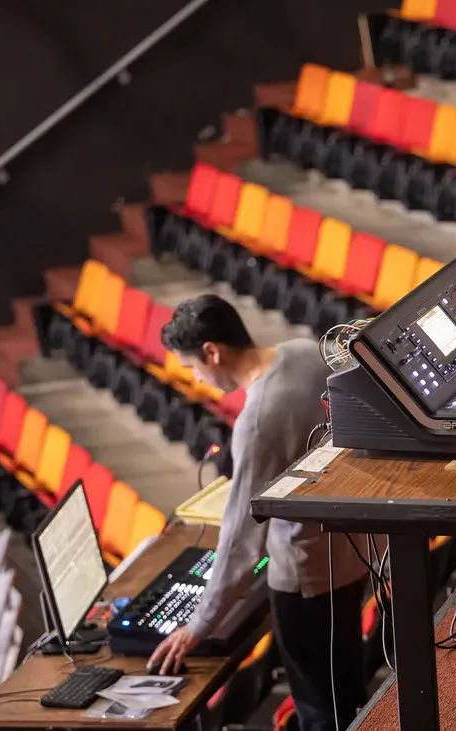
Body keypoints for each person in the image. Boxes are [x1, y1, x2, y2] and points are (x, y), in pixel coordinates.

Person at [149, 295, 371, 731]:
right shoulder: (304, 350)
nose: (196, 378)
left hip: (308, 578)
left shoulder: (257, 420)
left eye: (193, 367)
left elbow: (240, 541)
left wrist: (200, 624)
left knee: (321, 709)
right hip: (355, 552)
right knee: (346, 688)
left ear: (212, 352)